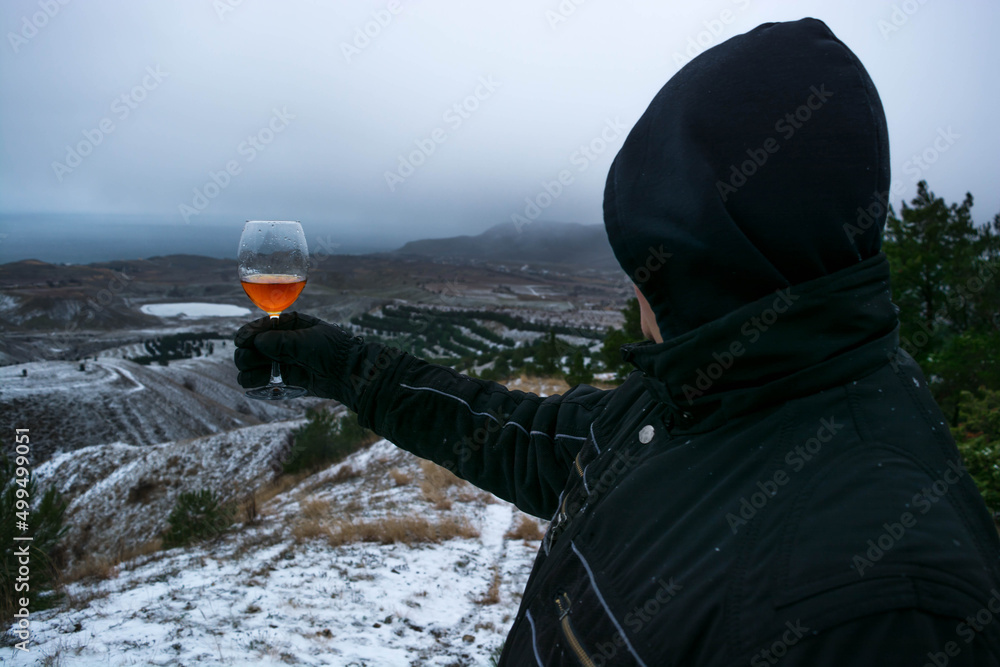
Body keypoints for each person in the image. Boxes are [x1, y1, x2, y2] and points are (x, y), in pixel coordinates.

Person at [235, 17, 1000, 666]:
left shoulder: (878, 600)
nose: (637, 282)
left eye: (653, 252)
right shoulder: (708, 400)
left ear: (722, 255)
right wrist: (330, 360)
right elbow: (512, 434)